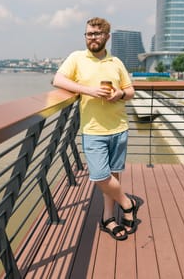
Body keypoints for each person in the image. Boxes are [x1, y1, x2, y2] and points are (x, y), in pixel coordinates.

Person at [53, 17, 141, 241]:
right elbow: (58, 80)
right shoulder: (77, 58)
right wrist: (88, 91)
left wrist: (119, 94)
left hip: (119, 127)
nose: (92, 38)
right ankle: (128, 205)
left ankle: (108, 218)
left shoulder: (116, 62)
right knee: (100, 175)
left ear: (107, 37)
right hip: (93, 129)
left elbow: (130, 91)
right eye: (89, 34)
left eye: (97, 34)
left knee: (113, 174)